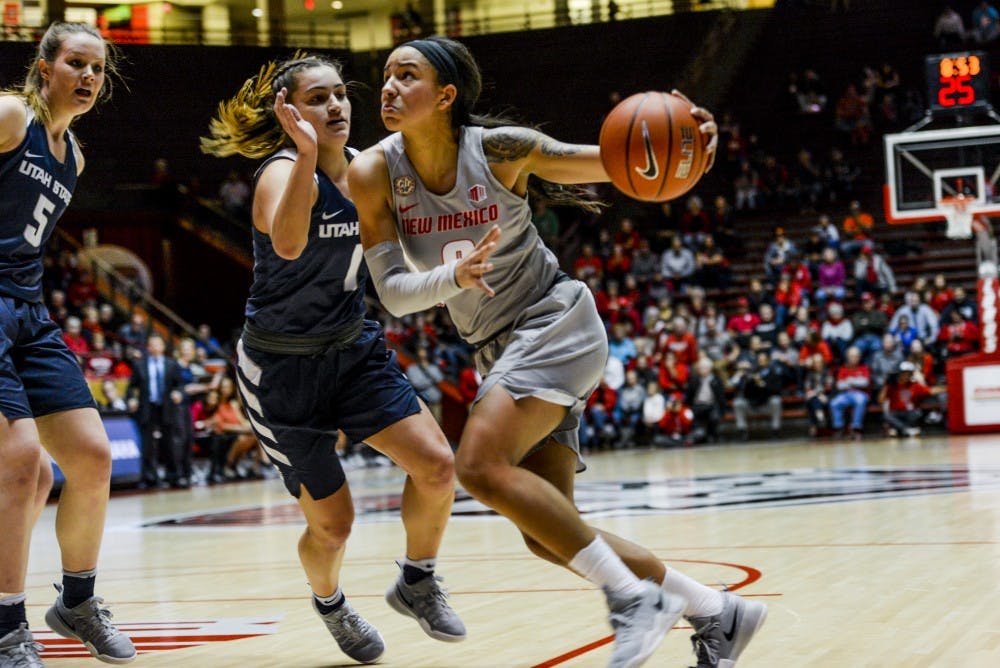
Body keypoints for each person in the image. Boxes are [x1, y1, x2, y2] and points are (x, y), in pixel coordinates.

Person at [348, 36, 765, 668]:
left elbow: (620, 159)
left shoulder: (498, 151)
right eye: (385, 75)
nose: (388, 87)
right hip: (499, 347)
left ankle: (632, 601)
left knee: (479, 467)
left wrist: (687, 140)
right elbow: (397, 297)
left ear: (446, 96)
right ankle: (717, 611)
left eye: (407, 76)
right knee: (550, 535)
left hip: (554, 320)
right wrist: (452, 282)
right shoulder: (374, 171)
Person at [201, 53, 465, 664]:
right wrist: (305, 154)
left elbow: (411, 250)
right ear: (290, 112)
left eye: (341, 94)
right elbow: (289, 245)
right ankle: (331, 603)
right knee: (335, 525)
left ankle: (418, 580)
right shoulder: (279, 172)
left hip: (352, 348)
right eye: (319, 99)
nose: (337, 106)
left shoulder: (374, 171)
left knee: (436, 466)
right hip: (281, 368)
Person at [0, 21, 135, 665]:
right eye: (76, 63)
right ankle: (3, 625)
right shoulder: (9, 116)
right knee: (22, 463)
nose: (87, 77)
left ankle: (75, 601)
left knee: (92, 456)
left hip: (28, 310)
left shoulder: (73, 157)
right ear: (45, 65)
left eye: (98, 69)